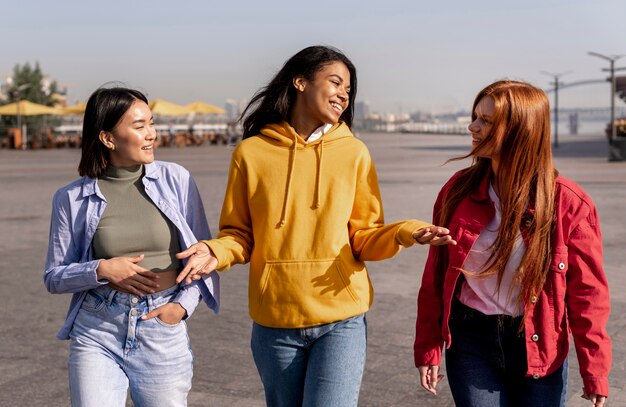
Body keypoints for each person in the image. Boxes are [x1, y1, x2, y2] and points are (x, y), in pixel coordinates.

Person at [176, 45, 454, 407]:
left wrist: (406, 232)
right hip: (275, 321)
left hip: (342, 319)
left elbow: (364, 237)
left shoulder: (354, 152)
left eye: (349, 90)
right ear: (300, 82)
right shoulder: (251, 153)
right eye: (335, 82)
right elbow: (240, 235)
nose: (343, 94)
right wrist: (214, 250)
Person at [413, 80, 612, 407]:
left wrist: (595, 371)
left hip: (539, 343)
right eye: (475, 116)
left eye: (486, 121)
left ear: (522, 130)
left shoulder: (570, 204)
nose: (472, 126)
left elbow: (588, 295)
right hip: (471, 341)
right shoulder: (457, 192)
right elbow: (435, 278)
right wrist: (428, 346)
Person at [44, 86, 219, 406]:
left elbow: (203, 256)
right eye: (139, 127)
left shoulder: (177, 179)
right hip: (97, 328)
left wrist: (180, 309)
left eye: (151, 123)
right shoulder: (70, 198)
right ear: (108, 138)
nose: (152, 134)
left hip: (161, 327)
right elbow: (54, 276)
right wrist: (101, 268)